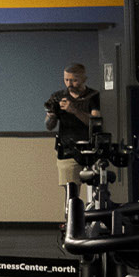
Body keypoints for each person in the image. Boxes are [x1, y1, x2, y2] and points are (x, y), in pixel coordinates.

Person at [46, 63, 106, 192]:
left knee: (99, 190)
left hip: (92, 150)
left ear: (84, 79)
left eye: (74, 80)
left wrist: (75, 111)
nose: (70, 84)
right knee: (71, 192)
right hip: (68, 150)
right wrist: (52, 116)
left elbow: (96, 122)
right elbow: (49, 126)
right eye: (66, 80)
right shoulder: (58, 96)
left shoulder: (93, 96)